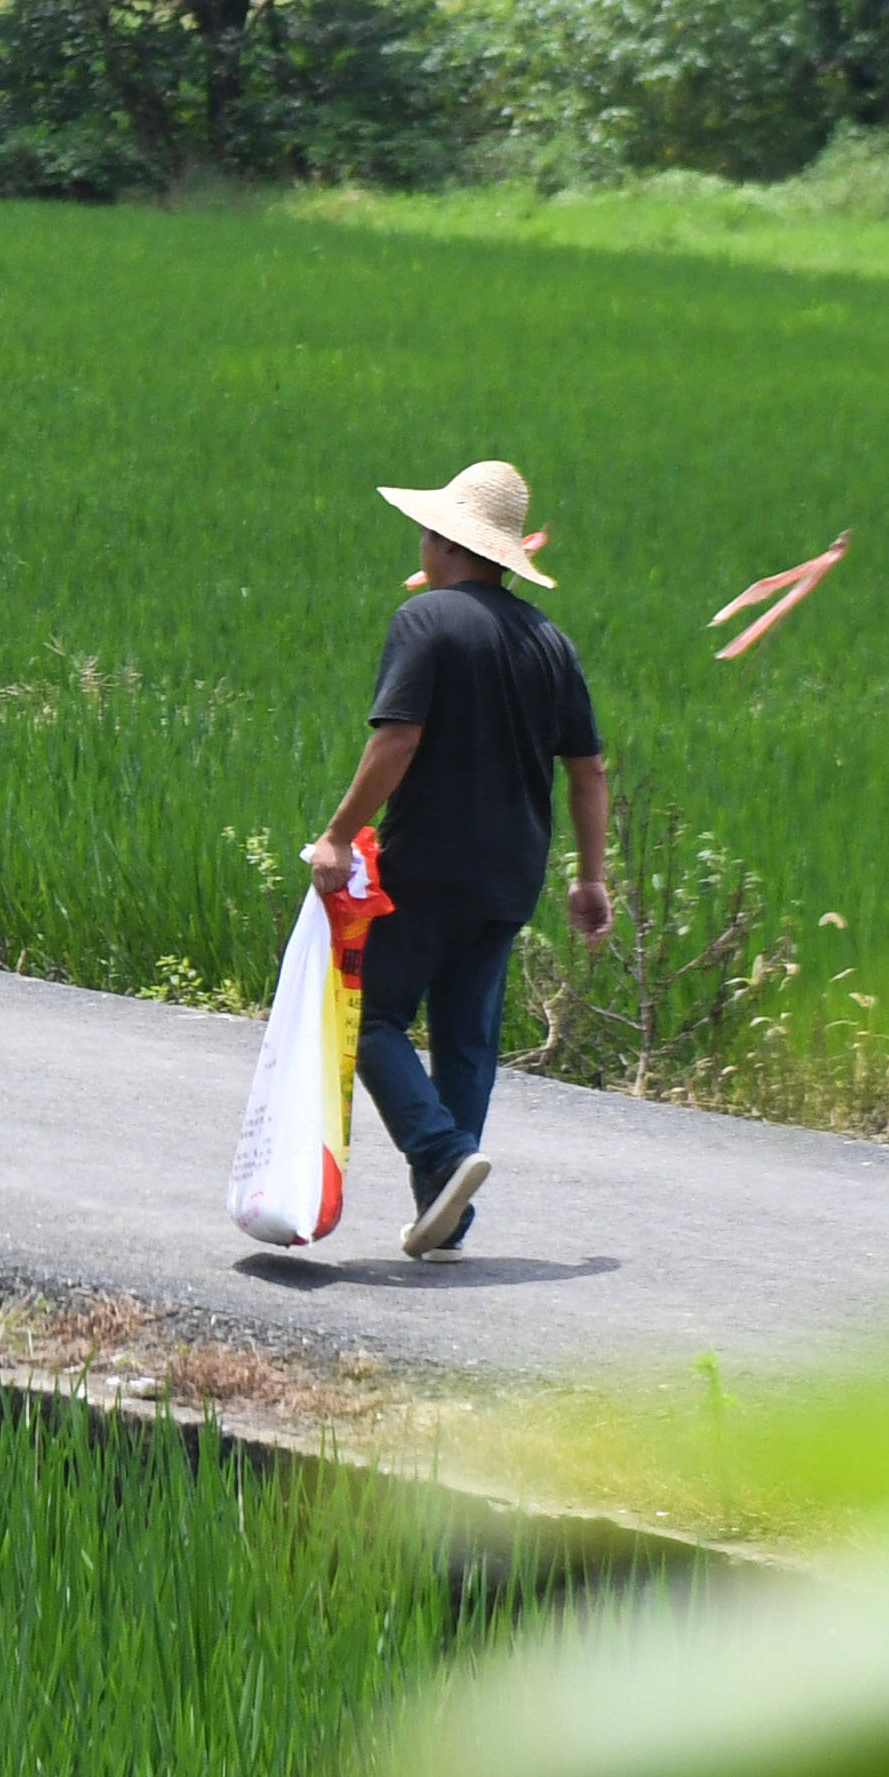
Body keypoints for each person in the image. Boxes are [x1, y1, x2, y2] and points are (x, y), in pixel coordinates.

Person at [299, 457, 607, 1262]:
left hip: (428, 864)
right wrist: (592, 877)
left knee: (370, 1020)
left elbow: (397, 739)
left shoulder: (427, 622)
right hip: (511, 877)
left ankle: (439, 1158)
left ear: (443, 542)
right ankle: (447, 1219)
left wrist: (337, 835)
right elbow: (589, 769)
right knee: (466, 1042)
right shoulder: (551, 642)